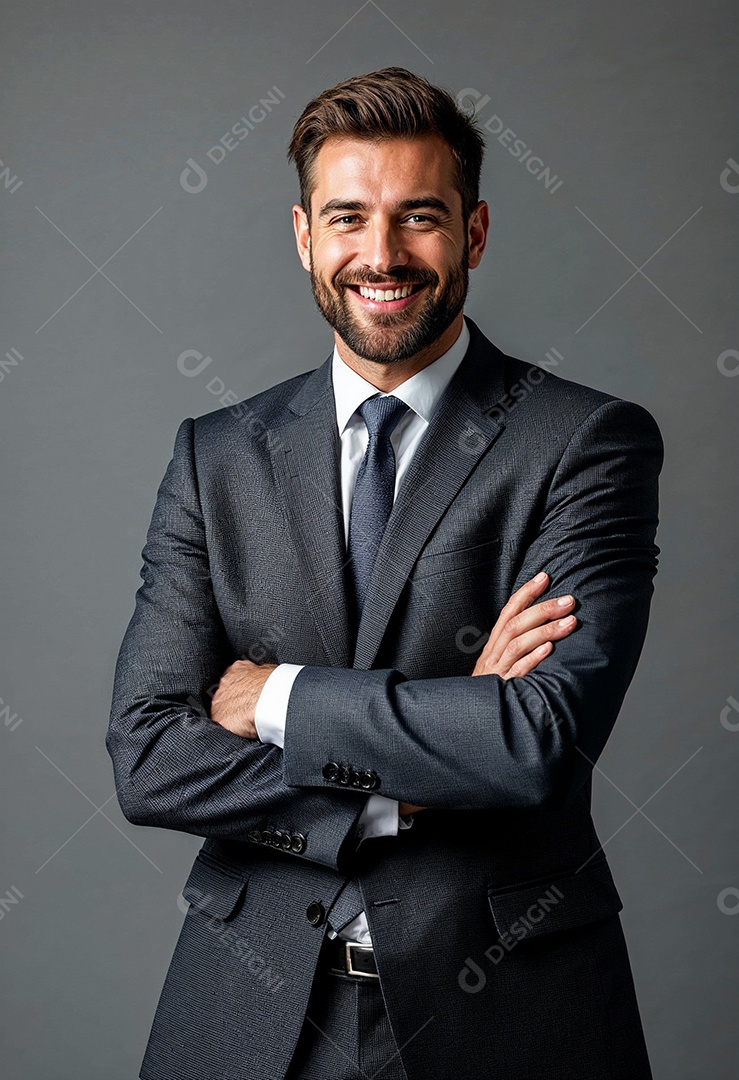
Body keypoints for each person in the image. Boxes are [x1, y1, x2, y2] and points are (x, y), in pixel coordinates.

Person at [107, 66, 662, 1080]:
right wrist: (403, 787)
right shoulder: (216, 455)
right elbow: (147, 756)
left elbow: (533, 740)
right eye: (348, 218)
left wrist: (269, 695)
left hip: (508, 1016)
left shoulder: (584, 443)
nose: (382, 255)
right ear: (303, 235)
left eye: (419, 218)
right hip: (247, 1009)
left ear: (475, 233)